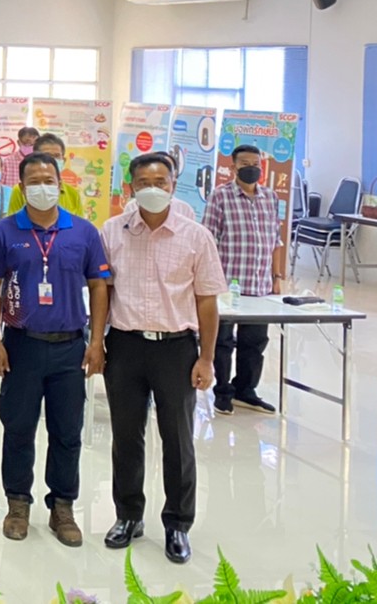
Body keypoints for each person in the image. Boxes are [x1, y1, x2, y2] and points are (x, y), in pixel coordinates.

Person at [99, 153, 224, 566]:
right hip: (125, 345)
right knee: (126, 436)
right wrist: (97, 342)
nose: (152, 189)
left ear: (173, 185)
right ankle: (128, 515)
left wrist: (206, 358)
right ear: (130, 187)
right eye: (143, 182)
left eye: (160, 182)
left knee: (178, 438)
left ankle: (177, 524)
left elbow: (207, 302)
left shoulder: (195, 236)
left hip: (176, 348)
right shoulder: (112, 231)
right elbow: (103, 292)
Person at [0, 150, 110, 548]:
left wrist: (96, 341)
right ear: (22, 187)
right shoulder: (3, 232)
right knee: (18, 428)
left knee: (67, 432)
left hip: (70, 346)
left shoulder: (83, 232)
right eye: (34, 181)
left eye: (49, 180)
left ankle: (63, 507)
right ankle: (17, 504)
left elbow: (99, 286)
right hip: (21, 345)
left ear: (60, 184)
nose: (42, 187)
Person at [205, 144, 285, 416]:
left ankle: (246, 391)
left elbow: (275, 241)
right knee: (223, 341)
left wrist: (276, 277)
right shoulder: (220, 196)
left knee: (255, 342)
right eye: (245, 164)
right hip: (227, 285)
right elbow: (208, 240)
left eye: (256, 164)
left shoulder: (270, 197)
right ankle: (222, 392)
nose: (251, 169)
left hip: (260, 285)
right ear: (233, 168)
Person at [7, 133, 83, 215]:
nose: (52, 160)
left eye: (57, 156)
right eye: (47, 156)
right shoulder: (20, 190)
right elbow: (12, 221)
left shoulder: (73, 194)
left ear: (63, 160)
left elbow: (78, 222)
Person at [3, 126, 41, 191]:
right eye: (27, 143)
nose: (30, 146)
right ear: (19, 142)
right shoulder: (7, 162)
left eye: (33, 143)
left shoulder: (43, 162)